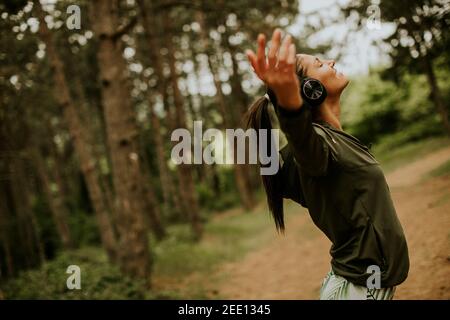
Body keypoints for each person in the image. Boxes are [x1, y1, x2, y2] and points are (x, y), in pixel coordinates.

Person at [244, 29, 409, 300]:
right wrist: (288, 104)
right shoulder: (315, 149)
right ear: (310, 89)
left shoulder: (334, 141)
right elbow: (301, 138)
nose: (331, 62)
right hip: (359, 289)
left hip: (353, 284)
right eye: (319, 64)